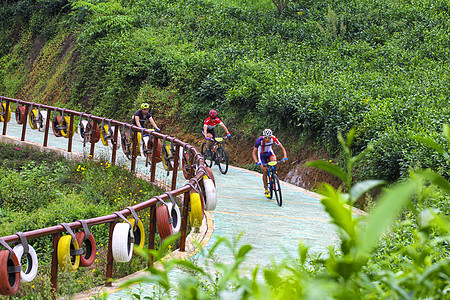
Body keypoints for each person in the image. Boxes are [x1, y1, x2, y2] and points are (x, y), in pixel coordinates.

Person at [252, 129, 288, 198]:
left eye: (269, 137)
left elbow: (282, 148)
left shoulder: (273, 138)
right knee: (265, 170)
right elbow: (254, 152)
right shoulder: (259, 140)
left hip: (269, 153)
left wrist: (285, 156)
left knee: (274, 161)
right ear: (263, 137)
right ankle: (266, 189)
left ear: (271, 137)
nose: (267, 139)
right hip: (261, 155)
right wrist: (257, 161)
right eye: (266, 137)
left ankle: (274, 174)